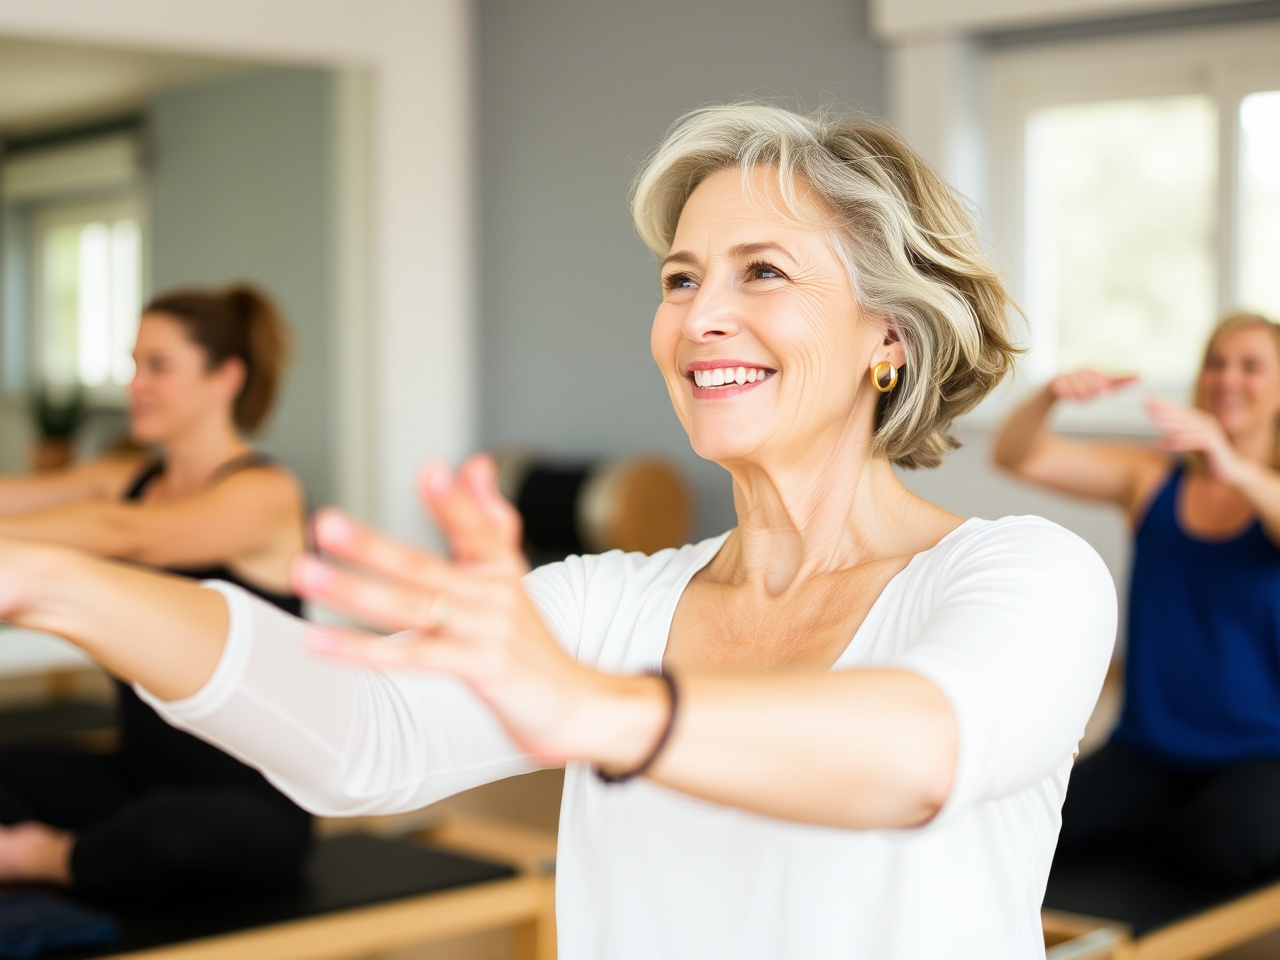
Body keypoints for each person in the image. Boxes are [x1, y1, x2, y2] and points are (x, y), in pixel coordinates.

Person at [0, 105, 1116, 957]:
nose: (699, 315)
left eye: (760, 272)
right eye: (679, 278)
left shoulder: (1022, 575)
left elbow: (917, 753)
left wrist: (595, 709)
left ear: (892, 336)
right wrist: (49, 581)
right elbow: (360, 736)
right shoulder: (607, 603)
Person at [0, 284, 312, 901]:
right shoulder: (127, 478)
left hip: (250, 804)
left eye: (159, 366)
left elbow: (130, 535)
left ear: (226, 378)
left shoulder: (266, 493)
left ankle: (48, 858)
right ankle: (90, 859)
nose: (135, 384)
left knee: (167, 836)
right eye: (134, 364)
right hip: (138, 775)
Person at [993, 310, 1280, 886]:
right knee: (1022, 826)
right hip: (1150, 745)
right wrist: (1048, 396)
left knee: (1223, 848)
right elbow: (1017, 456)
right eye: (1217, 363)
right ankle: (1166, 818)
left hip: (1262, 749)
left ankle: (1181, 823)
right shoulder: (1151, 479)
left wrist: (1237, 470)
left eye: (1252, 367)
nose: (1228, 379)